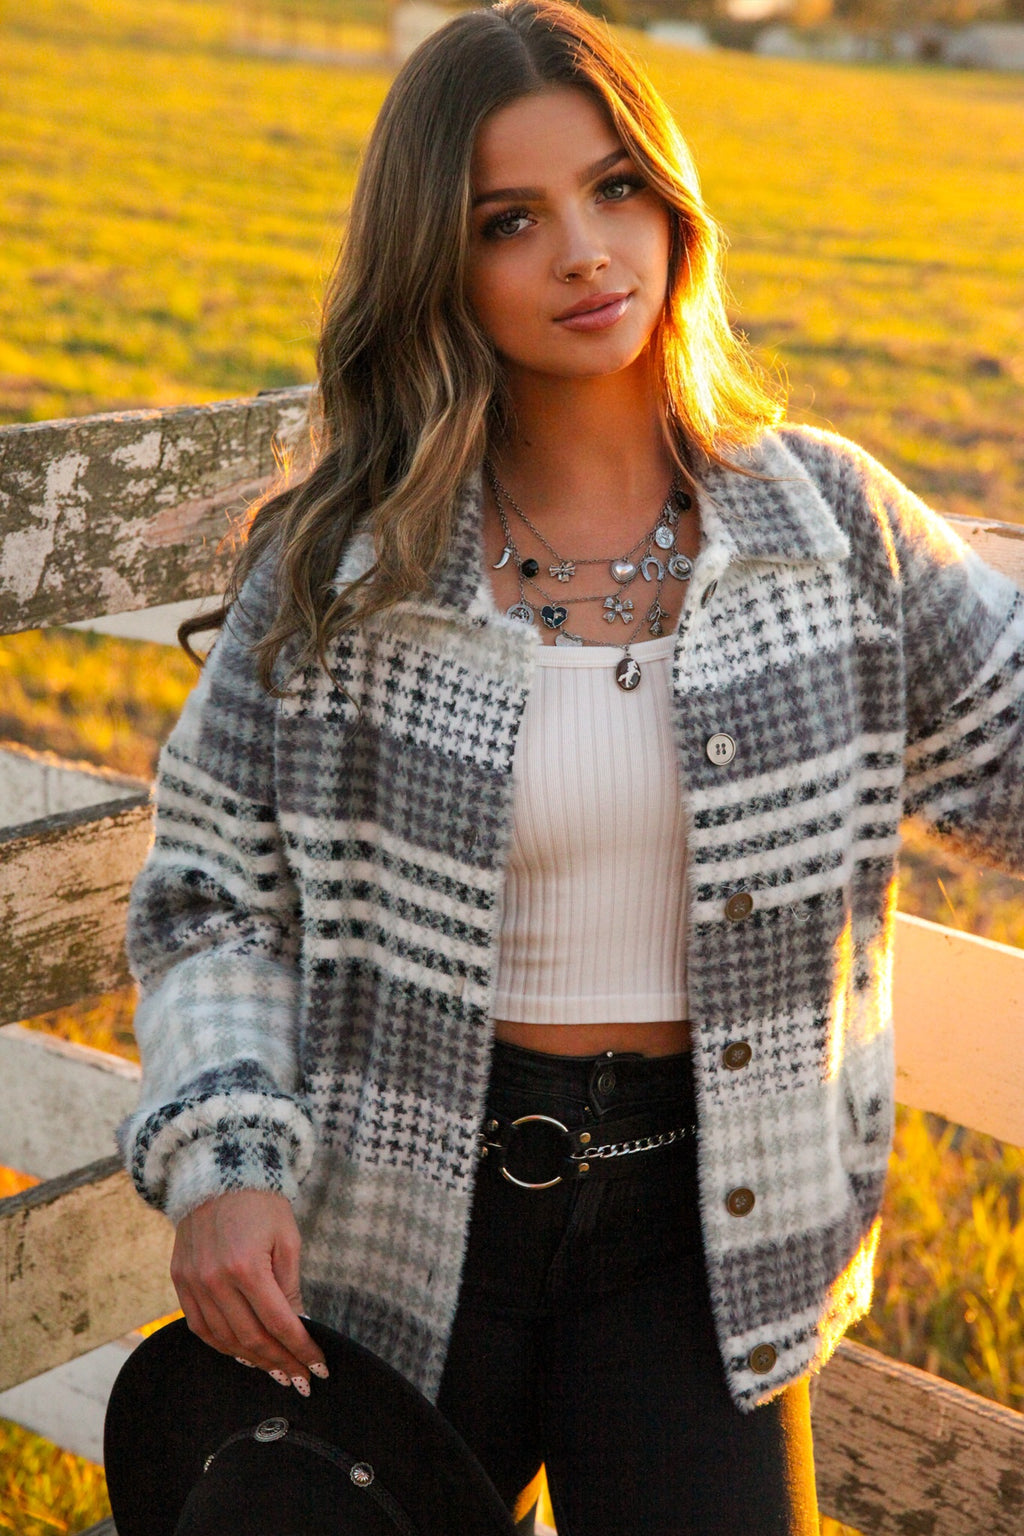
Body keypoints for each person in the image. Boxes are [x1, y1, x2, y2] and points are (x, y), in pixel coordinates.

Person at [120, 3, 1024, 1532]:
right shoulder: (348, 568)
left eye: (613, 189)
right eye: (510, 220)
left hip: (705, 1248)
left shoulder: (828, 531)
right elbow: (212, 896)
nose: (586, 253)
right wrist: (224, 1157)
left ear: (672, 204)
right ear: (439, 264)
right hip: (395, 1232)